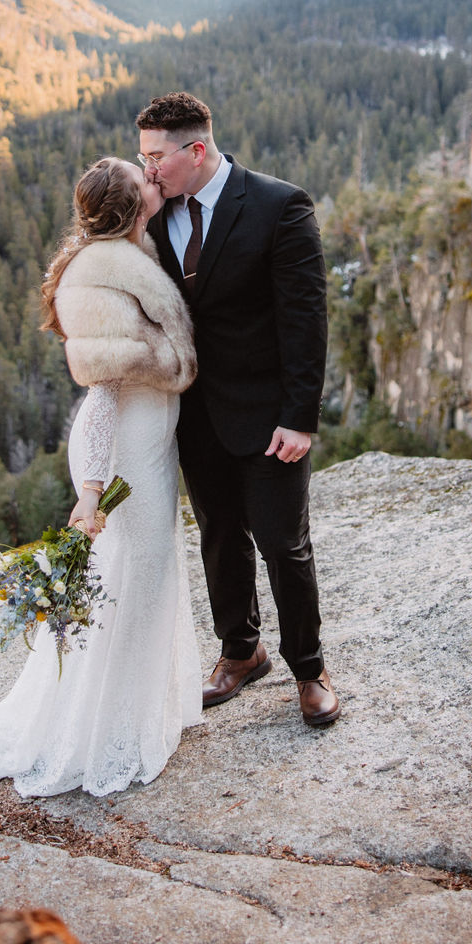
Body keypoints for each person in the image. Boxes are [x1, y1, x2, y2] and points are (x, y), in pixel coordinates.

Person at [0, 157, 202, 796]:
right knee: (136, 583)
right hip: (127, 455)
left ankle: (140, 710)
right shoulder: (98, 275)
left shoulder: (125, 254)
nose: (157, 178)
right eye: (146, 179)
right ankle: (111, 731)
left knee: (146, 579)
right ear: (131, 208)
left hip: (151, 446)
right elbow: (98, 396)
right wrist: (91, 489)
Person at [136, 92, 339, 727]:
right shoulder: (152, 212)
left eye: (155, 158)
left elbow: (306, 319)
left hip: (267, 414)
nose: (147, 171)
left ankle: (309, 669)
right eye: (142, 157)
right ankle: (240, 654)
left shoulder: (280, 205)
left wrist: (300, 416)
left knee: (284, 542)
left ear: (196, 151)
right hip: (192, 416)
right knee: (220, 538)